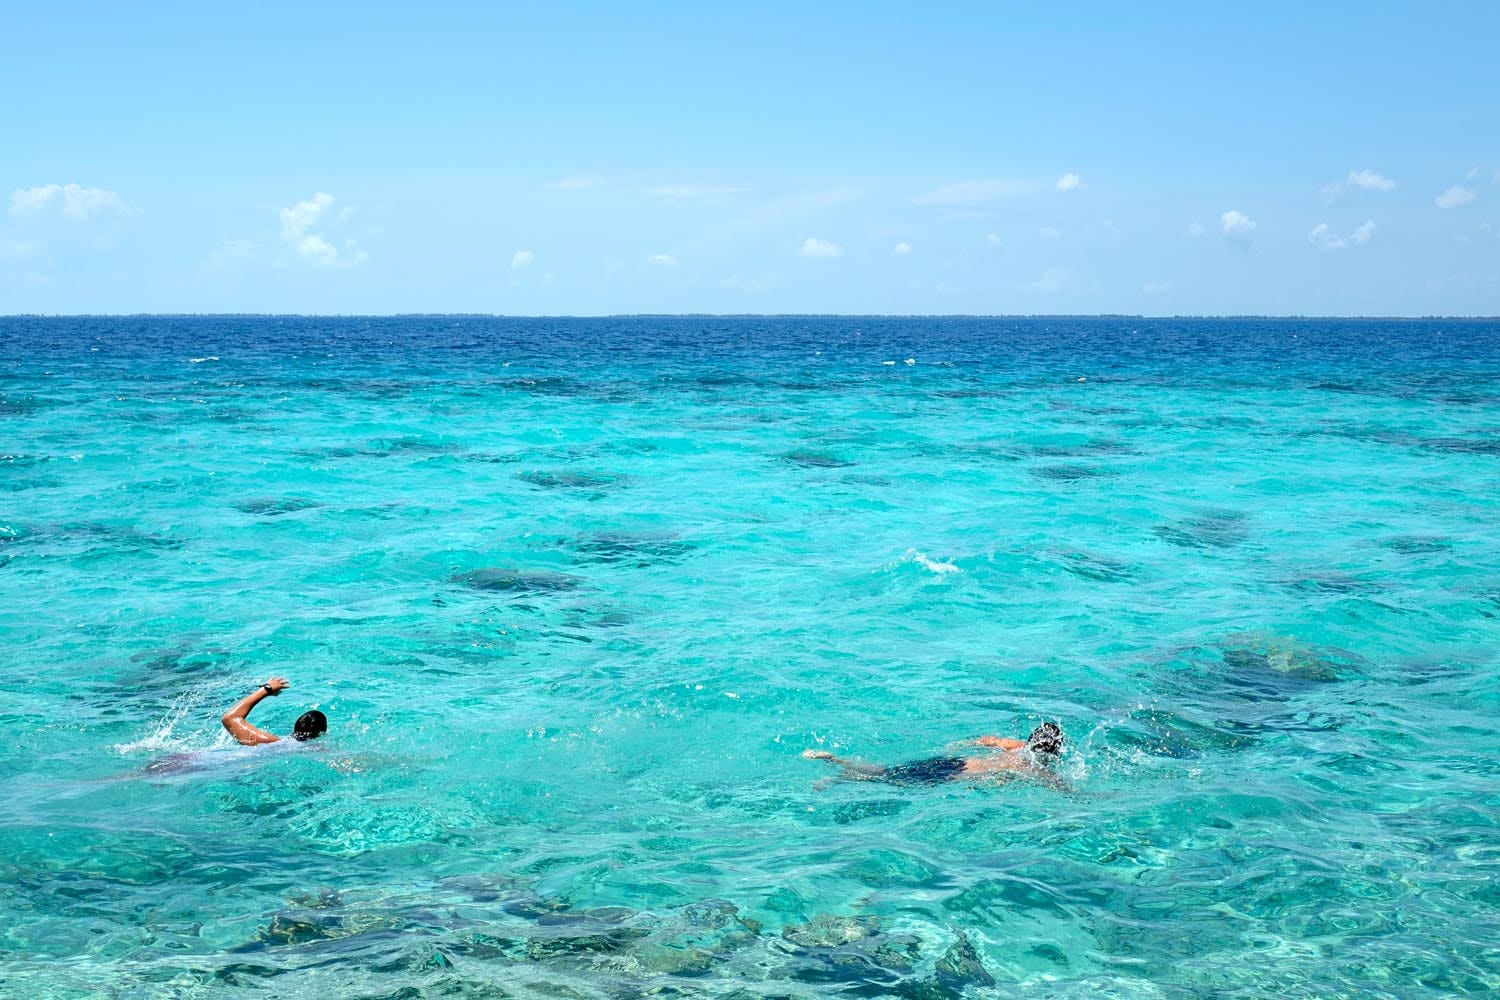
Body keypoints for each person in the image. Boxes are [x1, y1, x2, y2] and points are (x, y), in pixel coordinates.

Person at [802, 722, 1064, 786]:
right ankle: (836, 768)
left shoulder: (1016, 745)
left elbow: (987, 740)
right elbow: (1059, 787)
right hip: (951, 776)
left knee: (886, 771)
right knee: (888, 780)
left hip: (952, 762)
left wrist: (958, 745)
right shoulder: (1029, 766)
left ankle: (838, 768)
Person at [221, 676, 327, 746]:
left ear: (296, 726)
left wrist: (266, 690)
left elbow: (229, 718)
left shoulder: (268, 742)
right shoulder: (314, 750)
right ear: (321, 734)